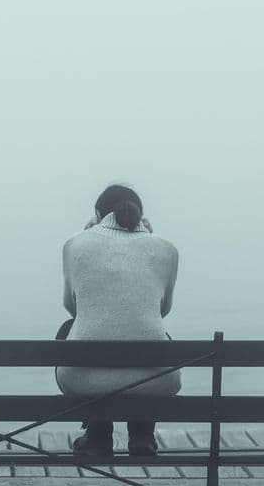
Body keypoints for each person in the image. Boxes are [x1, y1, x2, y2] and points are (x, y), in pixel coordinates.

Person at [56, 184, 180, 456]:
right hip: (157, 381)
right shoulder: (167, 249)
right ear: (141, 216)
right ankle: (142, 435)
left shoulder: (74, 244)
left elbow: (72, 308)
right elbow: (163, 310)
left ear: (97, 214)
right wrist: (150, 238)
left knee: (68, 330)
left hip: (83, 379)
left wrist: (86, 235)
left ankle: (98, 435)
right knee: (154, 333)